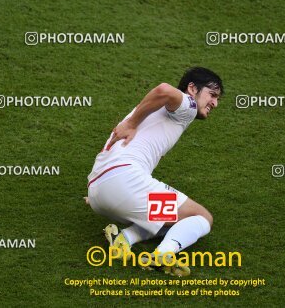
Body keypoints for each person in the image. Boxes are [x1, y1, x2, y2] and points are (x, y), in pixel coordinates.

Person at [86, 67, 224, 276]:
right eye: (212, 95)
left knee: (179, 219)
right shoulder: (188, 105)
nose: (215, 103)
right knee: (202, 217)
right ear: (192, 88)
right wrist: (131, 124)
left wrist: (101, 193)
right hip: (125, 184)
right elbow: (163, 90)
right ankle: (163, 254)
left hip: (98, 193)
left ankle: (125, 238)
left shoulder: (154, 113)